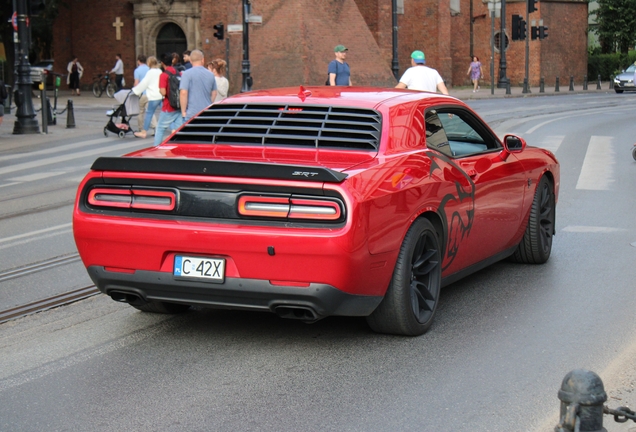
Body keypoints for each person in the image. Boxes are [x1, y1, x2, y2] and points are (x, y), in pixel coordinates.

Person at [154, 52, 184, 146]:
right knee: (178, 129)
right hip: (179, 105)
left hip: (168, 106)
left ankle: (156, 147)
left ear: (162, 63)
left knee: (160, 128)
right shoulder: (179, 72)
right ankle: (177, 146)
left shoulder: (163, 75)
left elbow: (163, 92)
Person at [179, 49, 217, 121]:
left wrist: (183, 111)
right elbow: (214, 93)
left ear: (190, 61)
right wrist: (209, 104)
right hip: (206, 111)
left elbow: (183, 93)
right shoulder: (211, 75)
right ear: (203, 60)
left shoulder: (186, 74)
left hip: (191, 113)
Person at [131, 56, 162, 139]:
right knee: (166, 112)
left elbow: (144, 83)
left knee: (148, 113)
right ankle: (173, 129)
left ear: (149, 63)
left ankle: (143, 132)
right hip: (161, 95)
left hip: (152, 96)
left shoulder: (150, 72)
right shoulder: (159, 71)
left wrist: (135, 90)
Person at [133, 55, 157, 133]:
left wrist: (134, 90)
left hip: (142, 94)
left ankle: (141, 128)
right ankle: (155, 127)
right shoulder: (149, 69)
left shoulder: (137, 70)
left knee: (140, 112)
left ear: (139, 61)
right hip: (150, 93)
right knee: (150, 111)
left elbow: (136, 83)